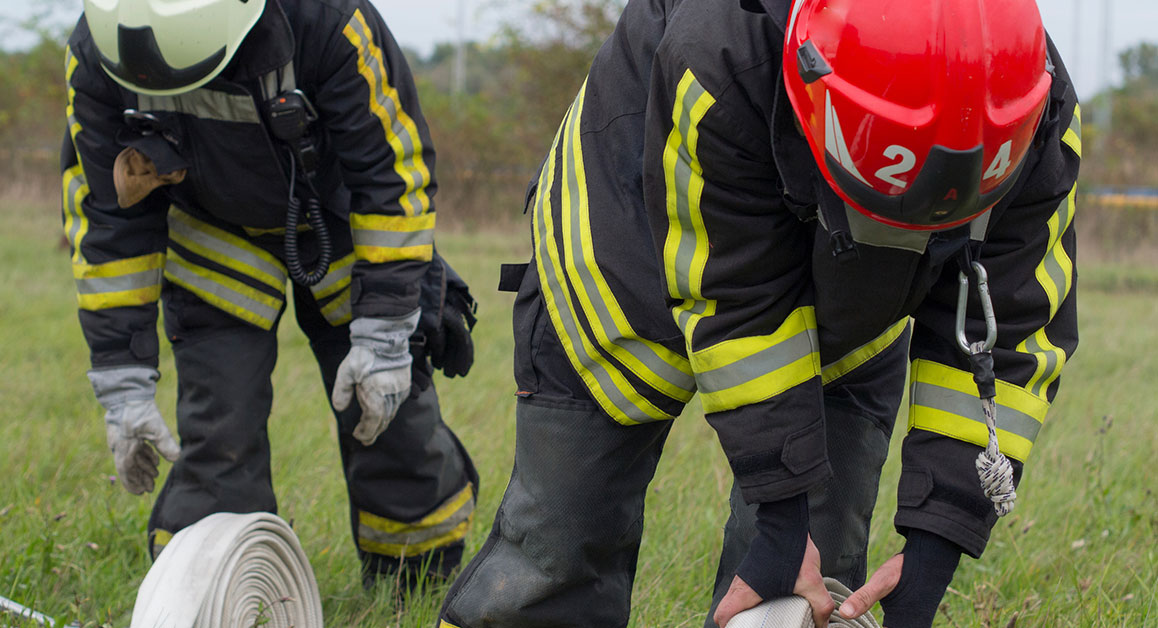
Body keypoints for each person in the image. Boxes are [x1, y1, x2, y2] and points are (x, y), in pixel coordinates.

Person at [437, 0, 1080, 626]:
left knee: (807, 582)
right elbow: (735, 293)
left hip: (858, 299)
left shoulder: (1034, 111)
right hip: (628, 226)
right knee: (564, 537)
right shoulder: (720, 50)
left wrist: (936, 544)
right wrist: (780, 518)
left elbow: (1004, 331)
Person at [61, 0, 479, 589]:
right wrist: (121, 380)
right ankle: (217, 590)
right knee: (219, 427)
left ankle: (414, 580)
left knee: (389, 413)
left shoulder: (327, 20)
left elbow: (393, 176)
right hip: (213, 229)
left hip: (340, 221)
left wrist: (387, 331)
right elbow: (107, 220)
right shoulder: (100, 49)